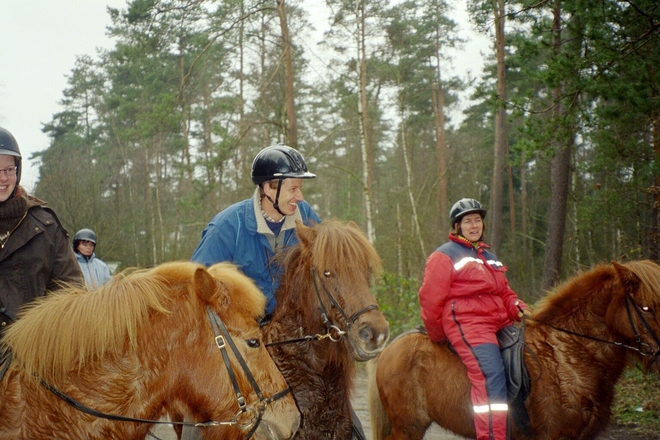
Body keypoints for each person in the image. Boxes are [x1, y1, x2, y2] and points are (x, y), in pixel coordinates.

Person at [418, 198, 529, 440]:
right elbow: (430, 299)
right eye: (467, 221)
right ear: (457, 226)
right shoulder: (444, 255)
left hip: (499, 322)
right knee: (492, 376)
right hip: (469, 324)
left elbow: (505, 292)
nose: (474, 225)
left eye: (477, 220)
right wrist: (437, 335)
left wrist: (518, 307)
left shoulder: (489, 257)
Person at [191, 143, 321, 319]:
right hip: (244, 332)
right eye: (293, 189)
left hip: (294, 329)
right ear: (268, 188)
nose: (300, 197)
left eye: (300, 189)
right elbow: (196, 284)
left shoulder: (305, 215)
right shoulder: (226, 227)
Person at [0, 126, 82, 335]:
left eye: (9, 170)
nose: (3, 179)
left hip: (31, 355)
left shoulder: (45, 226)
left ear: (17, 171)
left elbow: (71, 293)